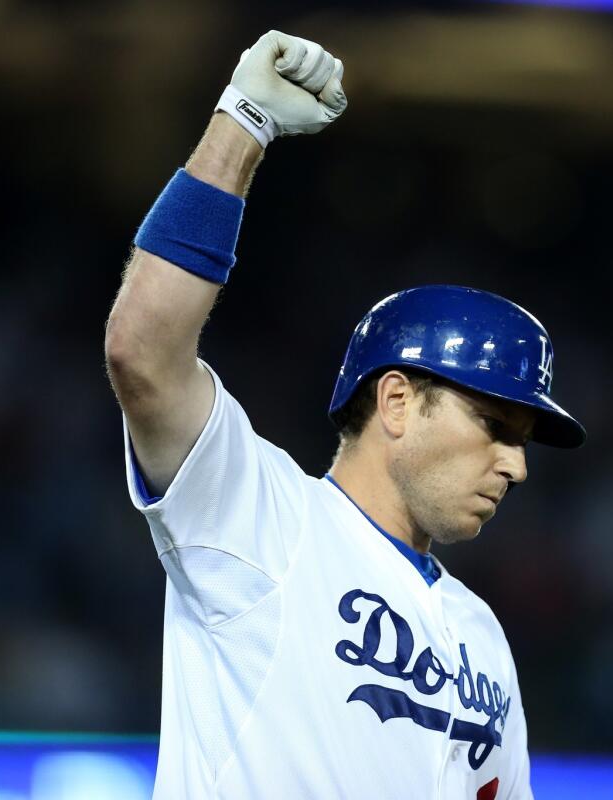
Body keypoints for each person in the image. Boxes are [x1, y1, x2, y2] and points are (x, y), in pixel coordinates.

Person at [104, 30, 585, 799]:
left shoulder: (482, 638)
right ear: (397, 401)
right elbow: (143, 351)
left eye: (523, 440)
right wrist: (243, 124)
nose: (517, 464)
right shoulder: (263, 518)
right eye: (496, 427)